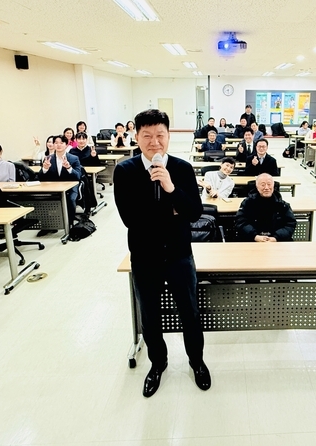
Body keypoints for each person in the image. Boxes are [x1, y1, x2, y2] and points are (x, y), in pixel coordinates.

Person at [113, 109, 210, 398]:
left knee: (190, 312)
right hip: (144, 258)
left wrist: (170, 187)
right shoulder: (125, 171)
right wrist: (173, 210)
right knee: (150, 315)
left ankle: (196, 361)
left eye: (160, 135)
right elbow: (130, 219)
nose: (154, 142)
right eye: (147, 136)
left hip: (180, 255)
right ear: (136, 137)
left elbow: (194, 213)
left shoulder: (182, 168)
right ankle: (158, 364)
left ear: (169, 136)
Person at [235, 173, 296, 242]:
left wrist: (276, 238)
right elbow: (240, 222)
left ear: (273, 186)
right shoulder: (248, 203)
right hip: (252, 240)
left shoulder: (282, 205)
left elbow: (290, 224)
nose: (266, 188)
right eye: (263, 185)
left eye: (269, 184)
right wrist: (255, 236)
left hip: (277, 241)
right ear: (257, 187)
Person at [38, 135, 82, 228]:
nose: (58, 145)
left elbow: (78, 176)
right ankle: (48, 225)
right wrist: (45, 169)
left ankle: (69, 224)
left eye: (61, 143)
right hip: (53, 187)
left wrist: (69, 167)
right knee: (43, 199)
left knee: (70, 199)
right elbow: (40, 178)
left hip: (70, 186)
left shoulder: (74, 158)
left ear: (66, 145)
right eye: (56, 143)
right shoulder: (48, 158)